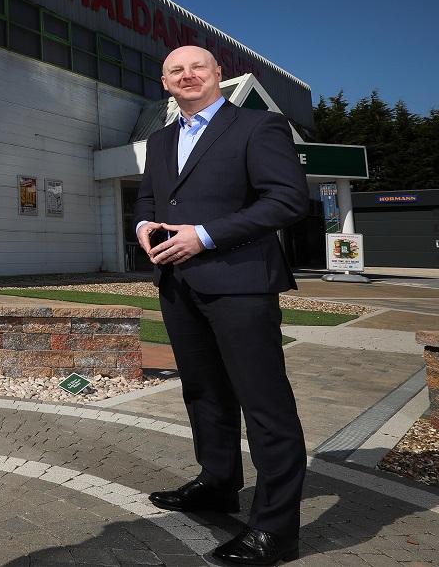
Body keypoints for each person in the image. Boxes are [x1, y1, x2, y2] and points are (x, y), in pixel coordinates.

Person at [133, 45, 311, 567]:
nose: (187, 75)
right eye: (175, 70)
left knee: (264, 405)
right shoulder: (161, 139)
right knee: (204, 392)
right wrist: (144, 227)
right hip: (178, 285)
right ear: (165, 83)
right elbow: (148, 200)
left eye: (198, 67)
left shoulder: (259, 127)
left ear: (218, 76)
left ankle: (276, 530)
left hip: (241, 284)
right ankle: (217, 483)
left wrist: (205, 236)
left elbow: (286, 200)